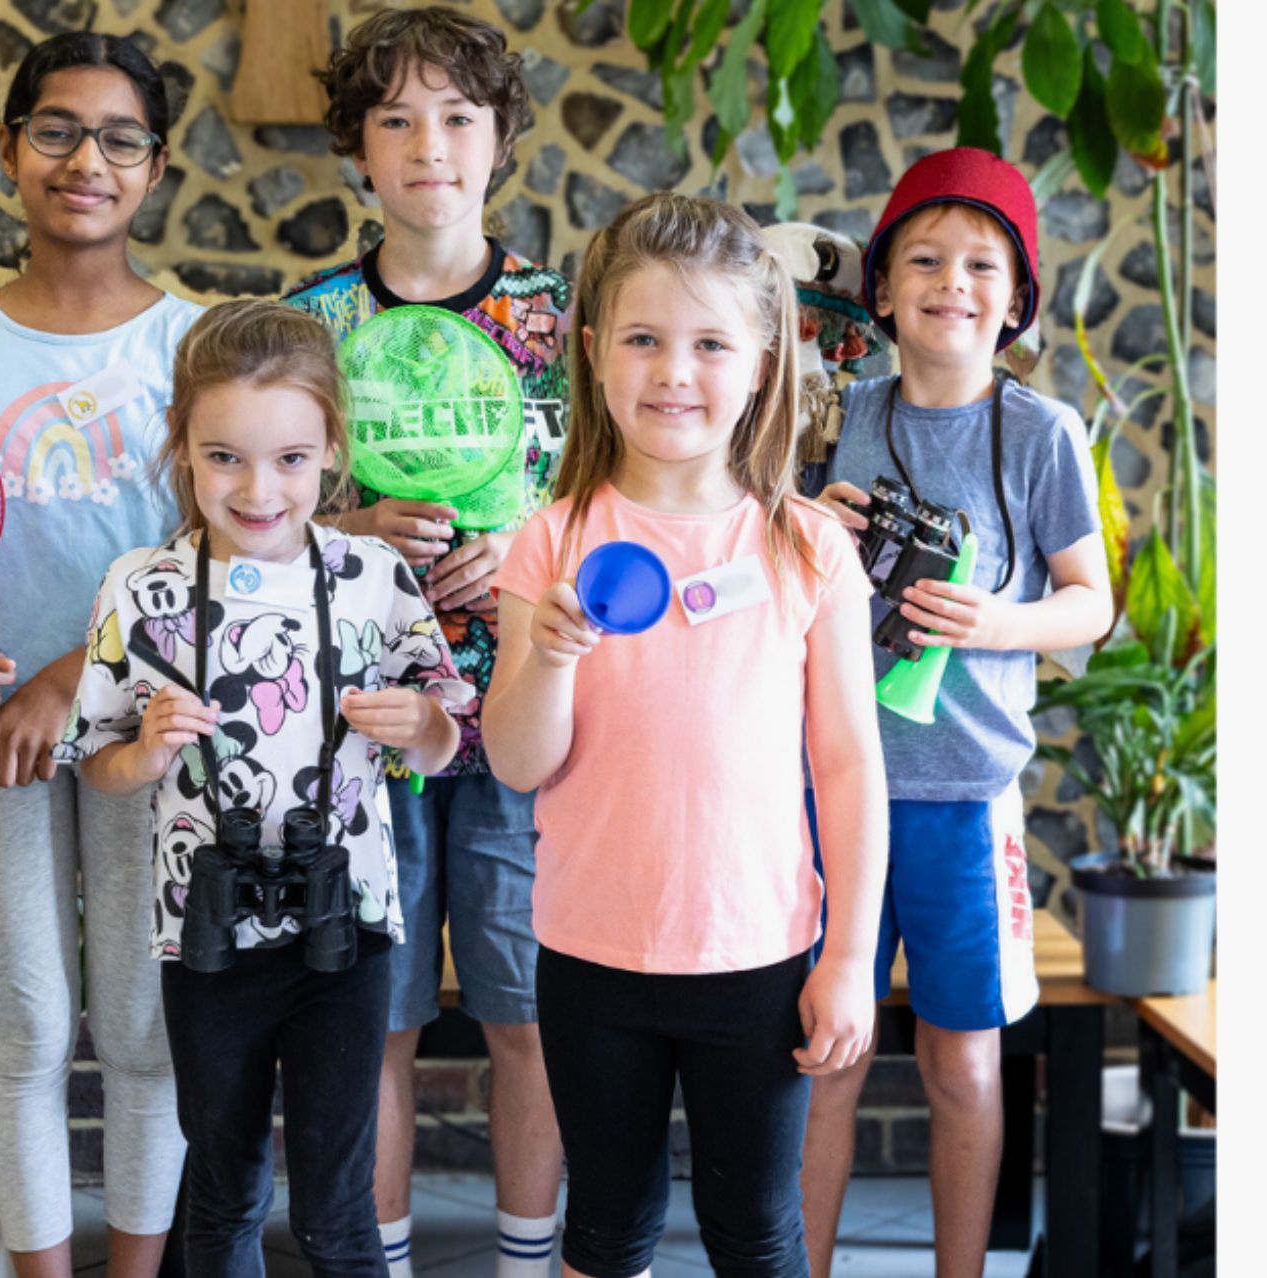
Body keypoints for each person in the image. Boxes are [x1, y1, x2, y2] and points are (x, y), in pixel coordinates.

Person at [483, 193, 889, 1278]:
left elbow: (849, 767)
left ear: (762, 361)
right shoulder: (553, 538)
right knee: (606, 1229)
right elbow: (519, 760)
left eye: (710, 343)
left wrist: (848, 957)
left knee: (757, 1234)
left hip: (756, 956)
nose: (674, 371)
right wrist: (553, 656)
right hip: (589, 955)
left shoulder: (806, 548)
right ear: (595, 354)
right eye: (645, 340)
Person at [58, 299, 469, 1278]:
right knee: (224, 1183)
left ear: (332, 449)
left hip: (350, 924)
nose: (257, 488)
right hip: (203, 930)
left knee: (337, 1200)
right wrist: (148, 754)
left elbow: (446, 741)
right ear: (184, 452)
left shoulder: (374, 575)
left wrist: (423, 724)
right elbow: (98, 760)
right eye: (224, 458)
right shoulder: (140, 586)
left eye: (289, 458)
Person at [0, 32, 203, 1278]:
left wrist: (76, 674)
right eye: (58, 131)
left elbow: (220, 550)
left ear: (155, 167)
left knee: (141, 1028)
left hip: (147, 717)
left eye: (120, 137)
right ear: (11, 150)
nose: (89, 159)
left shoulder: (197, 344)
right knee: (28, 1025)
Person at [282, 11, 570, 1272]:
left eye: (457, 115)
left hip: (528, 721)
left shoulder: (569, 321)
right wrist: (343, 523)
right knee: (373, 1019)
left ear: (501, 137)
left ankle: (527, 1256)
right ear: (356, 147)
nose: (429, 145)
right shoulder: (311, 325)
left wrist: (527, 551)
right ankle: (377, 1257)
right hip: (356, 728)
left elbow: (625, 505)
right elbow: (246, 511)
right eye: (395, 118)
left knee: (530, 1011)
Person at [799, 147, 1113, 1278]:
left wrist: (989, 623)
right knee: (821, 1054)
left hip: (963, 801)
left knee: (962, 1065)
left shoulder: (1042, 435)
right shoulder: (836, 415)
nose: (952, 281)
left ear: (1018, 297)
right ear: (880, 287)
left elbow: (1091, 605)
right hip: (831, 790)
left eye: (983, 262)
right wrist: (809, 525)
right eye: (923, 257)